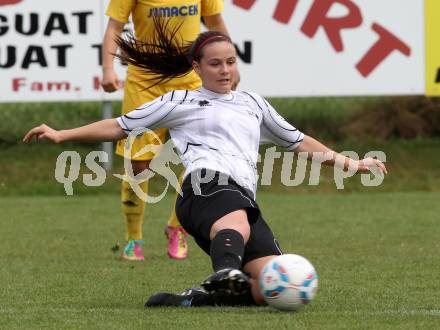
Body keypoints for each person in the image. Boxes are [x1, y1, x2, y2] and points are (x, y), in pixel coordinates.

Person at [23, 22, 387, 307]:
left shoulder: (253, 104)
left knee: (270, 286)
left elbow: (299, 141)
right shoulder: (180, 100)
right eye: (215, 63)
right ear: (196, 67)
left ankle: (200, 297)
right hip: (203, 189)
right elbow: (119, 126)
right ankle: (225, 271)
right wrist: (61, 135)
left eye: (230, 62)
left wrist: (350, 164)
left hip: (239, 200)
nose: (225, 70)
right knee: (236, 218)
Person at [101, 0, 230, 261]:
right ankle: (133, 239)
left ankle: (177, 227)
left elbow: (215, 23)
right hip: (145, 81)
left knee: (200, 158)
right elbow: (114, 26)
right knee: (139, 165)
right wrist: (107, 68)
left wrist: (229, 65)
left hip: (190, 81)